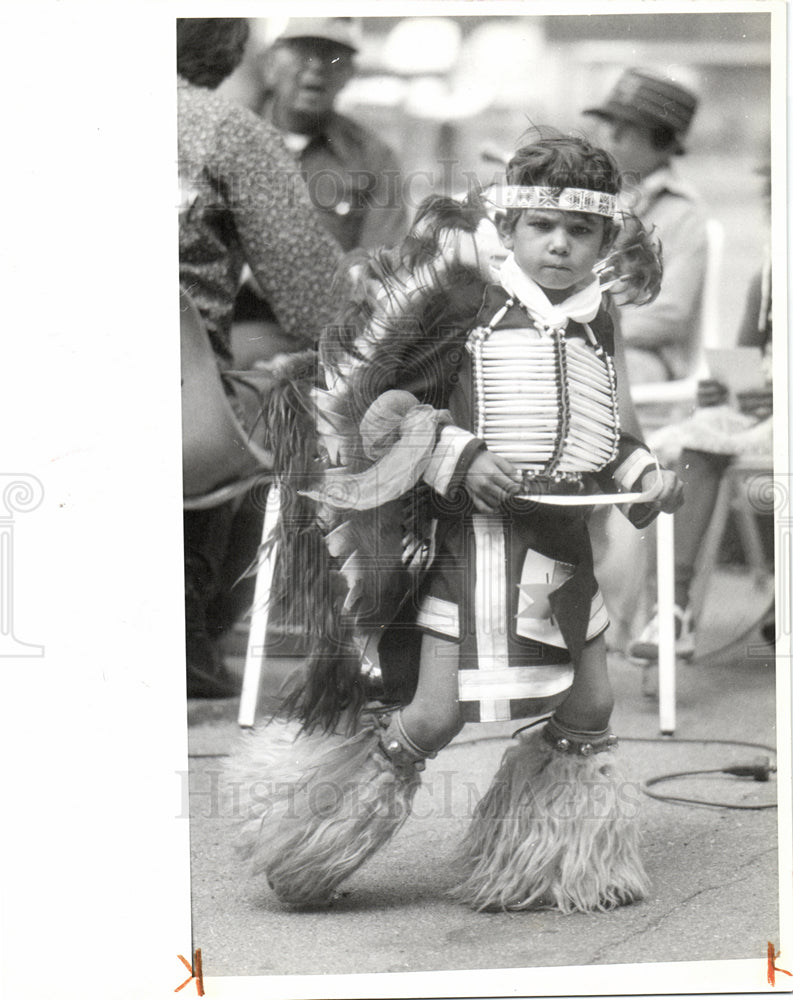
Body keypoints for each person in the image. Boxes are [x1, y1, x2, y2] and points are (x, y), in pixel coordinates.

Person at [228, 134, 684, 913]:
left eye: (579, 232)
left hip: (562, 545)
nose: (559, 244)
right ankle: (309, 841)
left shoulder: (595, 318)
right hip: (474, 545)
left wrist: (643, 475)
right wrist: (457, 452)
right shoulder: (464, 306)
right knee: (435, 715)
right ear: (508, 230)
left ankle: (549, 863)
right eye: (542, 226)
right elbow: (378, 409)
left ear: (607, 239)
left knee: (591, 704)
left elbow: (600, 434)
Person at [177, 18, 343, 697]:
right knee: (287, 408)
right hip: (179, 415)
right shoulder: (226, 129)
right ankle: (187, 624)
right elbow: (319, 306)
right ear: (230, 52)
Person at [232, 17, 407, 365]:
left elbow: (382, 265)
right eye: (301, 53)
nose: (315, 69)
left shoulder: (373, 156)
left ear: (349, 74)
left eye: (331, 56)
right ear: (270, 65)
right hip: (241, 324)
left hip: (332, 336)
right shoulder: (230, 140)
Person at [628, 253, 773, 660]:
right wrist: (724, 387)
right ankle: (673, 607)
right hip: (768, 413)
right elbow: (746, 358)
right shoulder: (772, 273)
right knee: (700, 438)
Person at [584, 68, 708, 384]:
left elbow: (668, 315)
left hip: (640, 355)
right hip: (576, 336)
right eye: (609, 122)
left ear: (665, 141)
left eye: (628, 127)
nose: (611, 134)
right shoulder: (590, 194)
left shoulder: (682, 212)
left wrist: (587, 329)